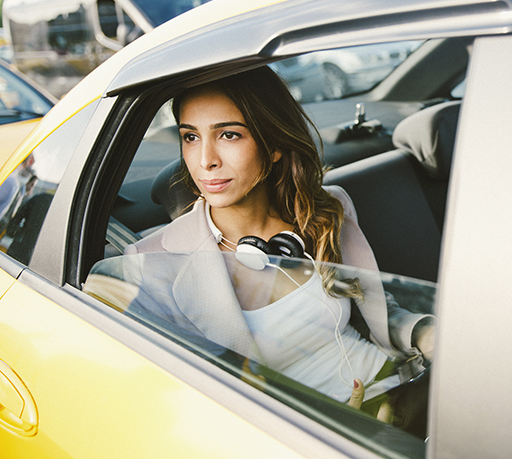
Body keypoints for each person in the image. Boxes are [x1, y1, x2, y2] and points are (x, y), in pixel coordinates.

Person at [90, 66, 434, 408]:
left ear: (274, 146)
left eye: (228, 135)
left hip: (400, 386)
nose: (205, 160)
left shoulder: (324, 209)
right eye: (190, 137)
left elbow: (372, 306)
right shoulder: (150, 263)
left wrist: (424, 333)